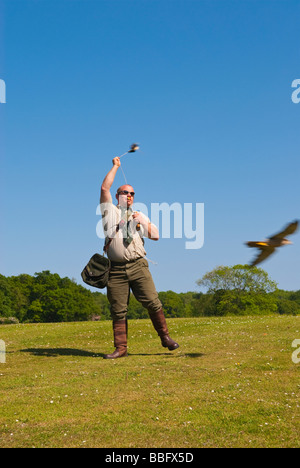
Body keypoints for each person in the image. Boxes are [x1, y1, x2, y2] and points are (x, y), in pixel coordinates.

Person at [100, 156, 179, 359]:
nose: (129, 196)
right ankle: (121, 349)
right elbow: (103, 189)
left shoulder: (138, 215)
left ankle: (165, 338)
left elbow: (156, 236)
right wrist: (116, 166)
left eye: (132, 193)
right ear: (117, 195)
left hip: (138, 266)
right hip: (116, 270)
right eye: (125, 192)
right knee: (118, 310)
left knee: (153, 302)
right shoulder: (110, 212)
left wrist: (144, 221)